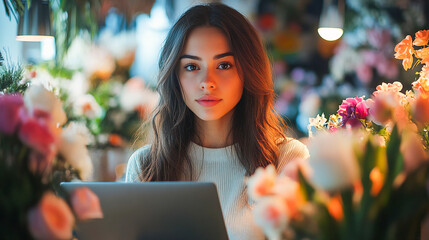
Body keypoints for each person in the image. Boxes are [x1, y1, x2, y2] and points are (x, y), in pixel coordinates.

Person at [125, 3, 309, 240]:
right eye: (191, 66)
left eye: (223, 65)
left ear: (249, 71)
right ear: (175, 77)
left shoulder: (288, 160)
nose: (207, 82)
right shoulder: (146, 166)